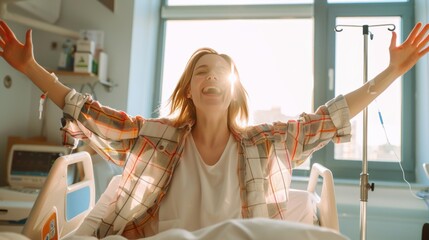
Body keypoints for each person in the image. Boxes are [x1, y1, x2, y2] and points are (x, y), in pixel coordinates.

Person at [0, 19, 428, 239]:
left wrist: (392, 72)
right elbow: (89, 112)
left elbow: (328, 118)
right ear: (189, 86)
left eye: (222, 73)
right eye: (202, 71)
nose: (213, 77)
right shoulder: (157, 139)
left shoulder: (261, 144)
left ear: (232, 89)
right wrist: (30, 68)